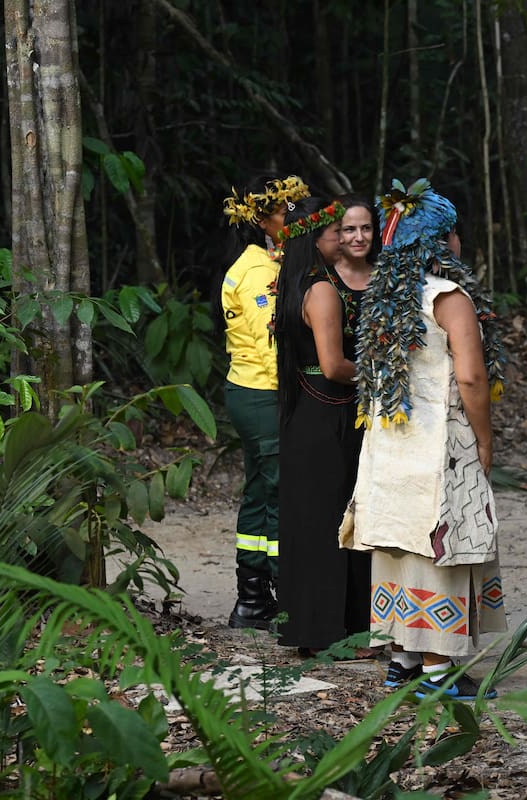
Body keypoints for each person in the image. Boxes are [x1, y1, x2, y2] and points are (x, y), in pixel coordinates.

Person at [339, 178, 507, 701]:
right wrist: (483, 438)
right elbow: (472, 379)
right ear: (443, 241)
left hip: (390, 447)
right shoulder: (448, 298)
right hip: (440, 444)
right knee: (440, 550)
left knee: (397, 547)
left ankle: (402, 661)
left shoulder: (381, 301)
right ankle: (439, 672)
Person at [271, 195, 374, 657]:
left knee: (309, 520)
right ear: (317, 239)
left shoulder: (293, 283)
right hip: (328, 411)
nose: (344, 237)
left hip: (303, 414)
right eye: (336, 231)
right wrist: (379, 374)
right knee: (335, 521)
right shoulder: (323, 289)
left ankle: (310, 628)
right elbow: (333, 365)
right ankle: (339, 631)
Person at [219, 173, 310, 629]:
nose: (292, 219)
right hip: (262, 392)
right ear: (261, 218)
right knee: (281, 493)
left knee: (259, 491)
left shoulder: (264, 263)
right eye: (284, 211)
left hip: (248, 390)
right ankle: (291, 606)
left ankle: (251, 601)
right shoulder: (258, 272)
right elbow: (269, 343)